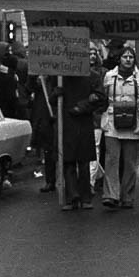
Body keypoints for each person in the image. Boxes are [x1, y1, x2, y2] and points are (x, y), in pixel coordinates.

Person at [45, 68, 107, 211]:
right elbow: (51, 100)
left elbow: (100, 97)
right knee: (68, 161)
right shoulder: (59, 76)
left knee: (84, 161)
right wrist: (56, 93)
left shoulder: (92, 75)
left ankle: (85, 197)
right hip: (66, 122)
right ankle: (72, 197)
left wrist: (83, 107)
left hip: (84, 122)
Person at [101, 45, 139, 209]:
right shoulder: (109, 76)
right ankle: (111, 195)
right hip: (112, 123)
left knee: (130, 162)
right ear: (120, 59)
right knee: (111, 160)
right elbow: (103, 97)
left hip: (134, 123)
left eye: (131, 57)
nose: (128, 60)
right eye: (125, 57)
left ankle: (127, 197)